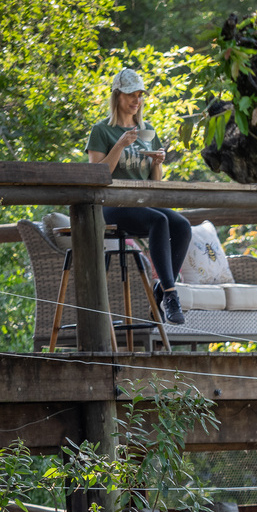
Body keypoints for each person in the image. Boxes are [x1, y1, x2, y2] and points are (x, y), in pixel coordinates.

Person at [85, 67, 191, 324]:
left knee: (182, 226)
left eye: (140, 94)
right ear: (117, 95)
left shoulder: (147, 130)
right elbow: (97, 175)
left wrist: (158, 162)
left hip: (143, 202)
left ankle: (160, 288)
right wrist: (120, 144)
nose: (137, 100)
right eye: (131, 94)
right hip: (111, 205)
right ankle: (170, 295)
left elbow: (155, 184)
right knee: (159, 221)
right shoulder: (102, 131)